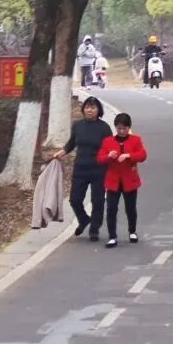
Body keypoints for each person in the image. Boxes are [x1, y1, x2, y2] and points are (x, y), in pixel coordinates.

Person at [62, 96, 112, 241]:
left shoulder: (104, 128)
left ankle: (94, 229)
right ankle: (84, 219)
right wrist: (62, 152)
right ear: (83, 109)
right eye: (87, 107)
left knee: (97, 200)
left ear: (98, 110)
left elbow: (110, 147)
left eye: (93, 107)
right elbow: (71, 143)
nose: (89, 110)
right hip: (80, 168)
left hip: (99, 169)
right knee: (74, 199)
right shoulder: (77, 125)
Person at [97, 112, 148, 247]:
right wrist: (109, 156)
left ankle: (132, 231)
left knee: (130, 208)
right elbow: (100, 158)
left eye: (124, 128)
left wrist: (129, 156)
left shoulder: (135, 140)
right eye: (119, 128)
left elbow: (142, 155)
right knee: (111, 208)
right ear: (116, 127)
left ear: (129, 127)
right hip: (113, 180)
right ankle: (112, 235)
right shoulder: (108, 141)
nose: (121, 131)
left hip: (129, 180)